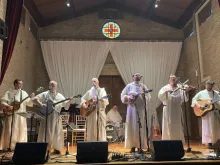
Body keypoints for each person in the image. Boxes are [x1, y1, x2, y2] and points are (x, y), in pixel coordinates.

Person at [33, 80, 72, 154]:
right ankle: (45, 148)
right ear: (49, 86)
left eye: (54, 85)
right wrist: (41, 104)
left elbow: (66, 106)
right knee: (46, 132)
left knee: (56, 133)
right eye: (51, 85)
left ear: (56, 87)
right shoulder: (45, 94)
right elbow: (35, 99)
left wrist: (69, 101)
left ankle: (56, 148)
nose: (52, 86)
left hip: (56, 117)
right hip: (46, 117)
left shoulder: (59, 95)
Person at [0, 79, 34, 150]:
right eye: (19, 84)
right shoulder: (9, 92)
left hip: (21, 115)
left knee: (21, 130)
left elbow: (28, 103)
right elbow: (3, 101)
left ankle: (21, 147)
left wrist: (32, 98)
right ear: (15, 84)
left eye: (21, 84)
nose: (20, 85)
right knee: (10, 130)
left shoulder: (24, 93)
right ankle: (9, 146)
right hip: (11, 114)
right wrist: (7, 106)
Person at [121, 73, 151, 153]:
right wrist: (127, 97)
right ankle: (132, 146)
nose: (137, 76)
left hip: (140, 109)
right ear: (133, 77)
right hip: (131, 109)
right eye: (136, 75)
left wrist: (144, 96)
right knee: (131, 126)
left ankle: (140, 146)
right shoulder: (129, 86)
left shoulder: (143, 86)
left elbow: (149, 97)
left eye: (139, 75)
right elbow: (123, 95)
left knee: (140, 127)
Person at [158, 74, 189, 144]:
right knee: (168, 125)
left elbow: (184, 99)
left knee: (178, 126)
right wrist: (166, 92)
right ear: (169, 80)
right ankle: (169, 142)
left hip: (177, 110)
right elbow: (160, 95)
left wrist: (186, 91)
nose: (173, 80)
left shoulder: (180, 87)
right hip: (168, 110)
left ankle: (179, 142)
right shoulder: (165, 88)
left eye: (174, 79)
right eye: (172, 79)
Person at [192, 80, 220, 149]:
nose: (208, 86)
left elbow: (218, 101)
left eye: (210, 85)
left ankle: (216, 141)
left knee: (214, 127)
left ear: (212, 85)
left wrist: (216, 103)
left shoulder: (216, 93)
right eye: (207, 84)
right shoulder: (201, 93)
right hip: (205, 113)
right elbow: (194, 99)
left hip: (213, 112)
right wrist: (199, 105)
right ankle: (209, 142)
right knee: (207, 128)